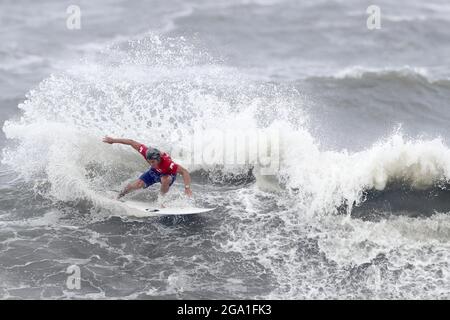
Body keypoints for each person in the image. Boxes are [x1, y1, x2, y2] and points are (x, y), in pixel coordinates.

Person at [102, 136, 192, 199]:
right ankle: (119, 195)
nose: (151, 164)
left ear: (158, 159)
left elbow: (184, 172)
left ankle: (161, 200)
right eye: (149, 162)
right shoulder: (146, 152)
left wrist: (187, 188)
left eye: (153, 162)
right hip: (154, 172)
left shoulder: (168, 163)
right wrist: (113, 140)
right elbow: (131, 142)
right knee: (135, 185)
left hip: (167, 174)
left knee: (166, 179)